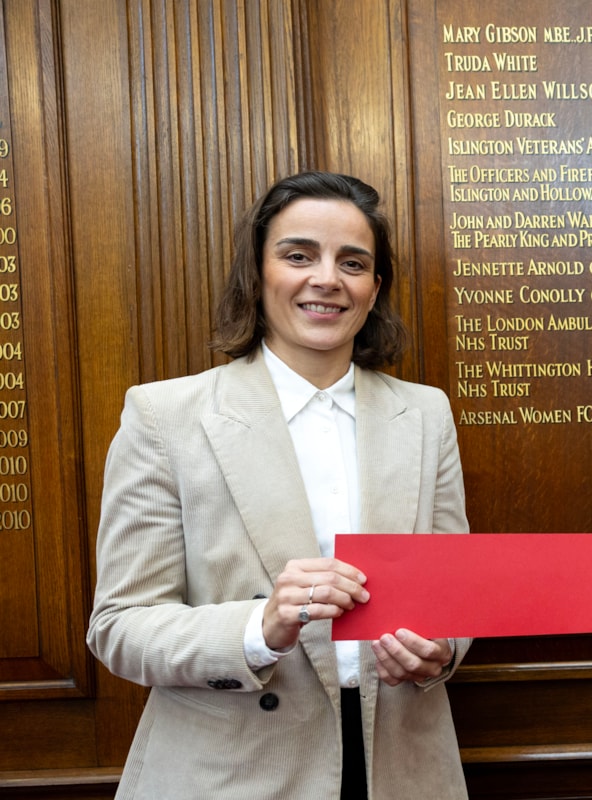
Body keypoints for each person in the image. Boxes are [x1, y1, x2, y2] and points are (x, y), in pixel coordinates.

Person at [87, 171, 471, 799]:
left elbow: (454, 591)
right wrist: (257, 629)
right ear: (257, 273)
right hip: (234, 773)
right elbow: (120, 626)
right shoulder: (164, 417)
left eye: (353, 263)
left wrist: (441, 648)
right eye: (298, 256)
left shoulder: (426, 414)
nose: (327, 278)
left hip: (403, 766)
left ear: (374, 288)